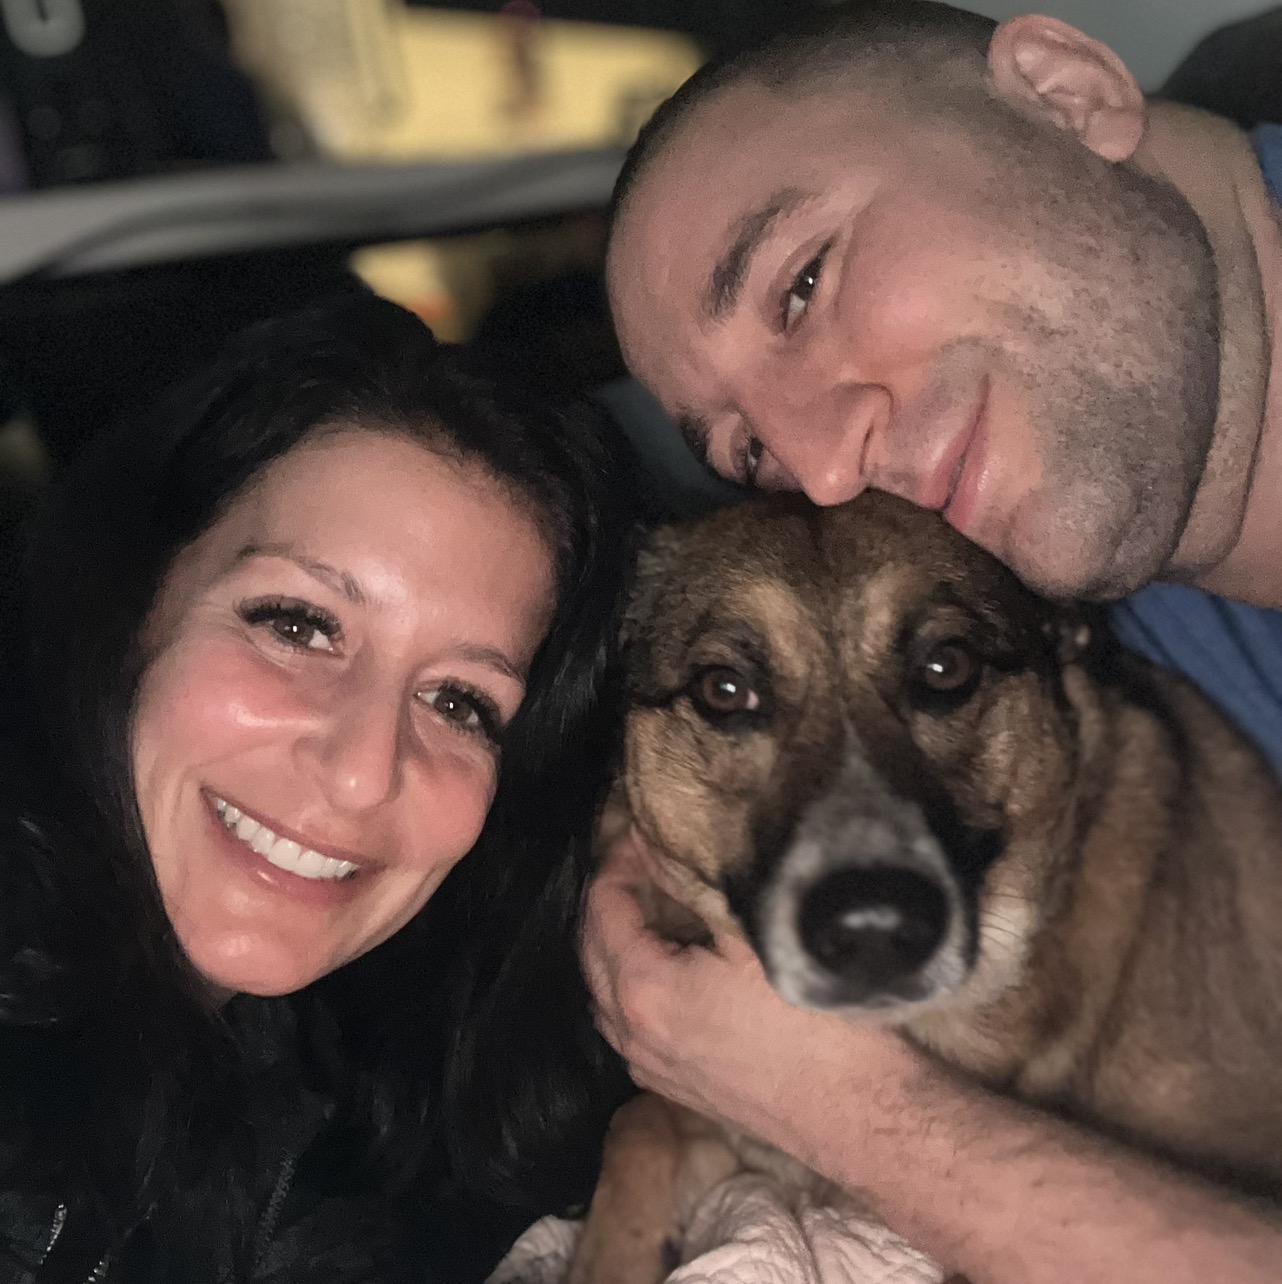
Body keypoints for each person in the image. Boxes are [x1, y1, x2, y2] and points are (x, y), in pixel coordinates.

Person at [582, 4, 1282, 1283]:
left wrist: (857, 1116)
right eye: (747, 449)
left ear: (1063, 90)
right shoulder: (1118, 636)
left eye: (802, 284)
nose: (824, 466)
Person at [0, 293, 634, 1282]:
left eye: (461, 702)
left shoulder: (367, 1110)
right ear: (128, 603)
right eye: (297, 625)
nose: (361, 771)